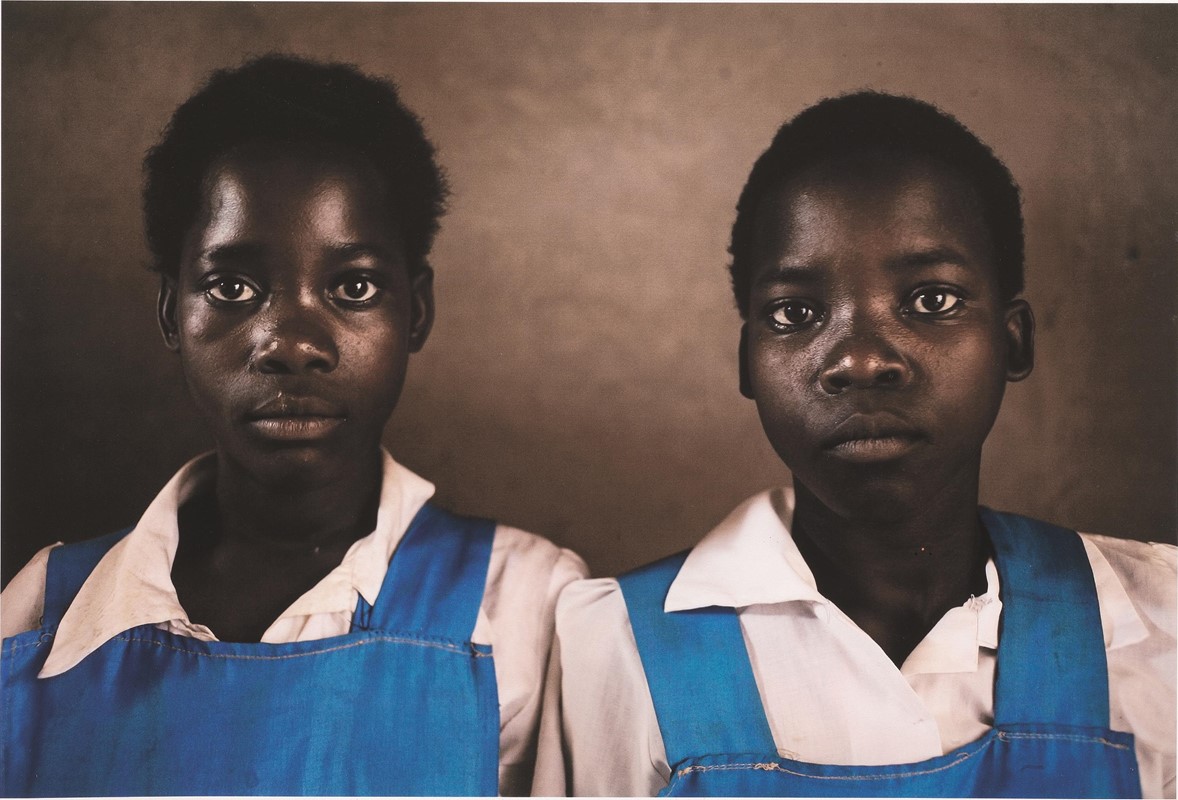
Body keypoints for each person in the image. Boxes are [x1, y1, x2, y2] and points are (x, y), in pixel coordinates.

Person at [534, 92, 1175, 797]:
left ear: (1013, 341)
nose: (862, 360)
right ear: (747, 363)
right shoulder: (616, 642)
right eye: (795, 312)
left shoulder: (1160, 620)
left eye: (931, 300)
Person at [0, 54, 586, 797]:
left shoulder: (527, 605)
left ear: (417, 311)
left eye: (354, 286)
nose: (292, 343)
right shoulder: (41, 612)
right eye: (233, 286)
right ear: (171, 313)